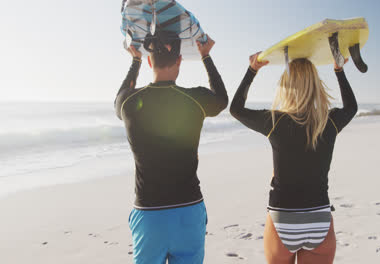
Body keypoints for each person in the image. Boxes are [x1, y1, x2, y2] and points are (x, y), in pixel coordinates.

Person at [230, 53, 358, 264]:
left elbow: (236, 109)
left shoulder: (274, 122)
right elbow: (351, 107)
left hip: (283, 219)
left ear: (285, 86)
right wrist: (339, 69)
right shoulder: (329, 121)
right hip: (319, 218)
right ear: (315, 85)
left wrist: (252, 70)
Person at [115, 32, 228, 264]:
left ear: (149, 62)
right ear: (179, 60)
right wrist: (206, 56)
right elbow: (221, 99)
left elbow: (121, 95)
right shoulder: (195, 100)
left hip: (149, 213)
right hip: (188, 211)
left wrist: (134, 61)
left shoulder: (128, 103)